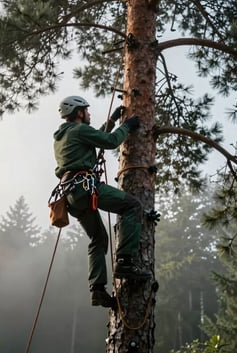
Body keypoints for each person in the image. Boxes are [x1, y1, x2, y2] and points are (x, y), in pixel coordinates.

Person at [53, 95, 151, 308]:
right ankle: (125, 262)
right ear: (79, 113)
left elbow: (94, 136)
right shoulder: (78, 130)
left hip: (72, 196)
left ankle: (97, 289)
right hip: (86, 187)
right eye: (86, 110)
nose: (89, 113)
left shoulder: (63, 136)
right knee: (132, 206)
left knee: (98, 238)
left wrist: (114, 121)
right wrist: (126, 126)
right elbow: (109, 141)